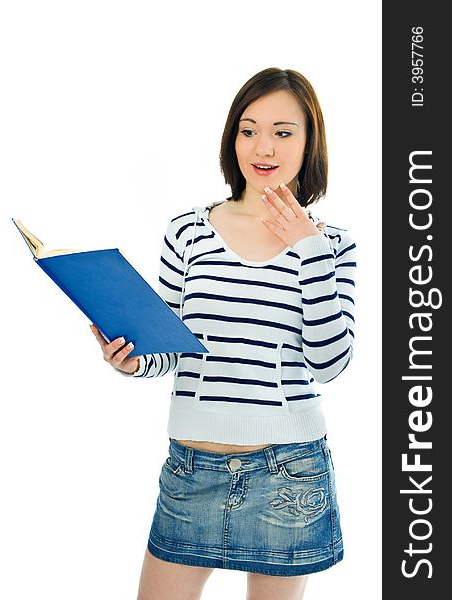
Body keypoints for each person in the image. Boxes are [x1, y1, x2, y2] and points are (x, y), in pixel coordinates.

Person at [90, 67, 357, 600]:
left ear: (310, 143)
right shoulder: (187, 229)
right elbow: (171, 345)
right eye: (248, 128)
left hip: (288, 472)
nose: (263, 146)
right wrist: (132, 359)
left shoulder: (332, 243)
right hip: (191, 470)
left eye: (284, 131)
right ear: (232, 137)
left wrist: (308, 251)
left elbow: (330, 363)